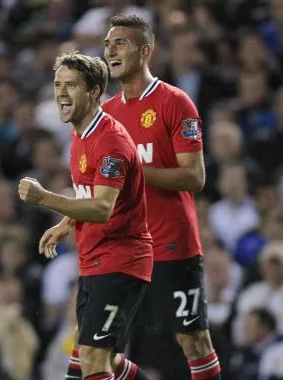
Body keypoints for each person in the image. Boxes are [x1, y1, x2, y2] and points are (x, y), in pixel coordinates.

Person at [18, 51, 153, 380]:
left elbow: (102, 208)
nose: (61, 93)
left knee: (92, 358)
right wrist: (67, 223)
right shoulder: (80, 133)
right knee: (95, 359)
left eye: (72, 85)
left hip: (121, 259)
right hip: (94, 258)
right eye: (57, 84)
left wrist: (45, 198)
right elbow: (92, 195)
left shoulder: (110, 143)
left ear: (94, 91)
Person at [101, 15, 221, 380]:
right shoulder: (105, 116)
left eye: (120, 43)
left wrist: (136, 170)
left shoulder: (175, 102)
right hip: (124, 249)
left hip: (172, 245)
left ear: (146, 50)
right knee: (99, 349)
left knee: (193, 340)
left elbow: (195, 176)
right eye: (107, 44)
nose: (110, 51)